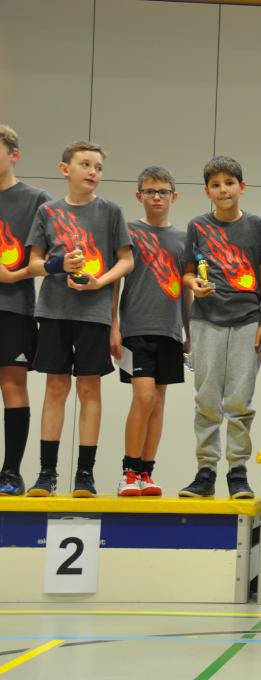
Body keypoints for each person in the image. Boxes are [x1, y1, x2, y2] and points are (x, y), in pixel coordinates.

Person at [24, 141, 134, 497]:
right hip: (54, 311)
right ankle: (47, 473)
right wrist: (59, 265)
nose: (92, 172)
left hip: (94, 314)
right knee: (56, 388)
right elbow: (34, 263)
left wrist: (100, 282)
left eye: (98, 167)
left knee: (89, 388)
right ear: (65, 169)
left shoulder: (111, 211)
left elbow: (126, 260)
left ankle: (84, 473)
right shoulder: (48, 211)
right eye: (85, 164)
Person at [179, 156, 261, 499]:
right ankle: (205, 471)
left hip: (247, 319)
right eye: (216, 185)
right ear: (207, 191)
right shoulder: (197, 226)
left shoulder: (258, 226)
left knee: (239, 400)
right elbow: (188, 272)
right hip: (206, 319)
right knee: (206, 398)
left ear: (241, 187)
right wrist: (193, 284)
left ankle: (238, 472)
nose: (223, 190)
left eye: (229, 183)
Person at [111, 166, 189, 497]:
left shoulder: (183, 239)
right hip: (134, 330)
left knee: (157, 402)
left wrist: (188, 331)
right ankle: (129, 472)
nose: (157, 197)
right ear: (139, 195)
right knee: (143, 397)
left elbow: (187, 291)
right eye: (150, 191)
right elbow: (115, 282)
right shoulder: (128, 232)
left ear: (174, 196)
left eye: (163, 191)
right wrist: (113, 326)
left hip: (170, 332)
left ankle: (146, 472)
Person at [0, 124, 51, 496]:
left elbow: (46, 260)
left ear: (13, 155)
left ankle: (10, 473)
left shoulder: (37, 200)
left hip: (14, 307)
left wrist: (13, 275)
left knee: (13, 384)